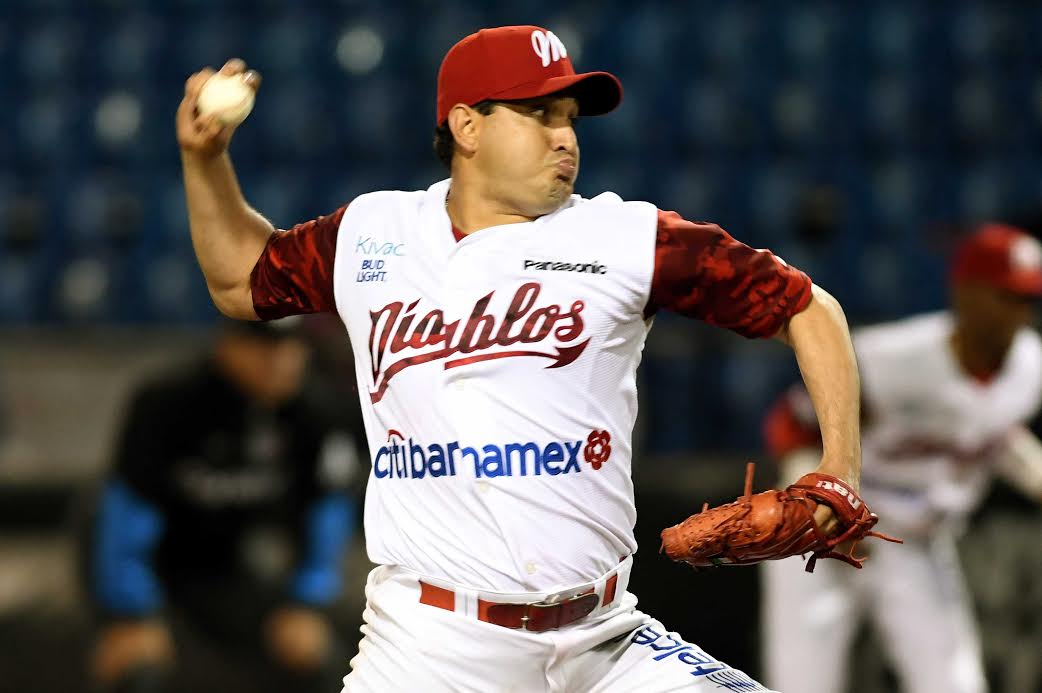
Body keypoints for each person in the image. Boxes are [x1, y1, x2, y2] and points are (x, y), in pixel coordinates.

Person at [177, 25, 869, 692]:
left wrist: (840, 469)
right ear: (467, 126)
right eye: (539, 114)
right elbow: (241, 281)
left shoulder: (627, 237)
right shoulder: (371, 234)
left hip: (603, 638)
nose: (564, 136)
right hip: (432, 650)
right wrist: (206, 160)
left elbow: (809, 308)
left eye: (569, 117)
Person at [760, 223, 1042, 693]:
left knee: (954, 685)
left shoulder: (1030, 368)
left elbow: (994, 433)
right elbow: (793, 424)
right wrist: (816, 509)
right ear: (966, 292)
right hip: (824, 539)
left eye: (1027, 300)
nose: (1018, 313)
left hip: (916, 541)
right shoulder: (891, 359)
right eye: (1006, 296)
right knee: (801, 683)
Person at [85, 318, 364, 693]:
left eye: (292, 346)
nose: (282, 360)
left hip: (225, 560)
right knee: (136, 665)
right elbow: (126, 514)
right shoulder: (167, 402)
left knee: (316, 655)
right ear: (228, 344)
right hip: (140, 556)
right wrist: (130, 611)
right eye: (264, 346)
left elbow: (326, 517)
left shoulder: (317, 410)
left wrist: (306, 601)